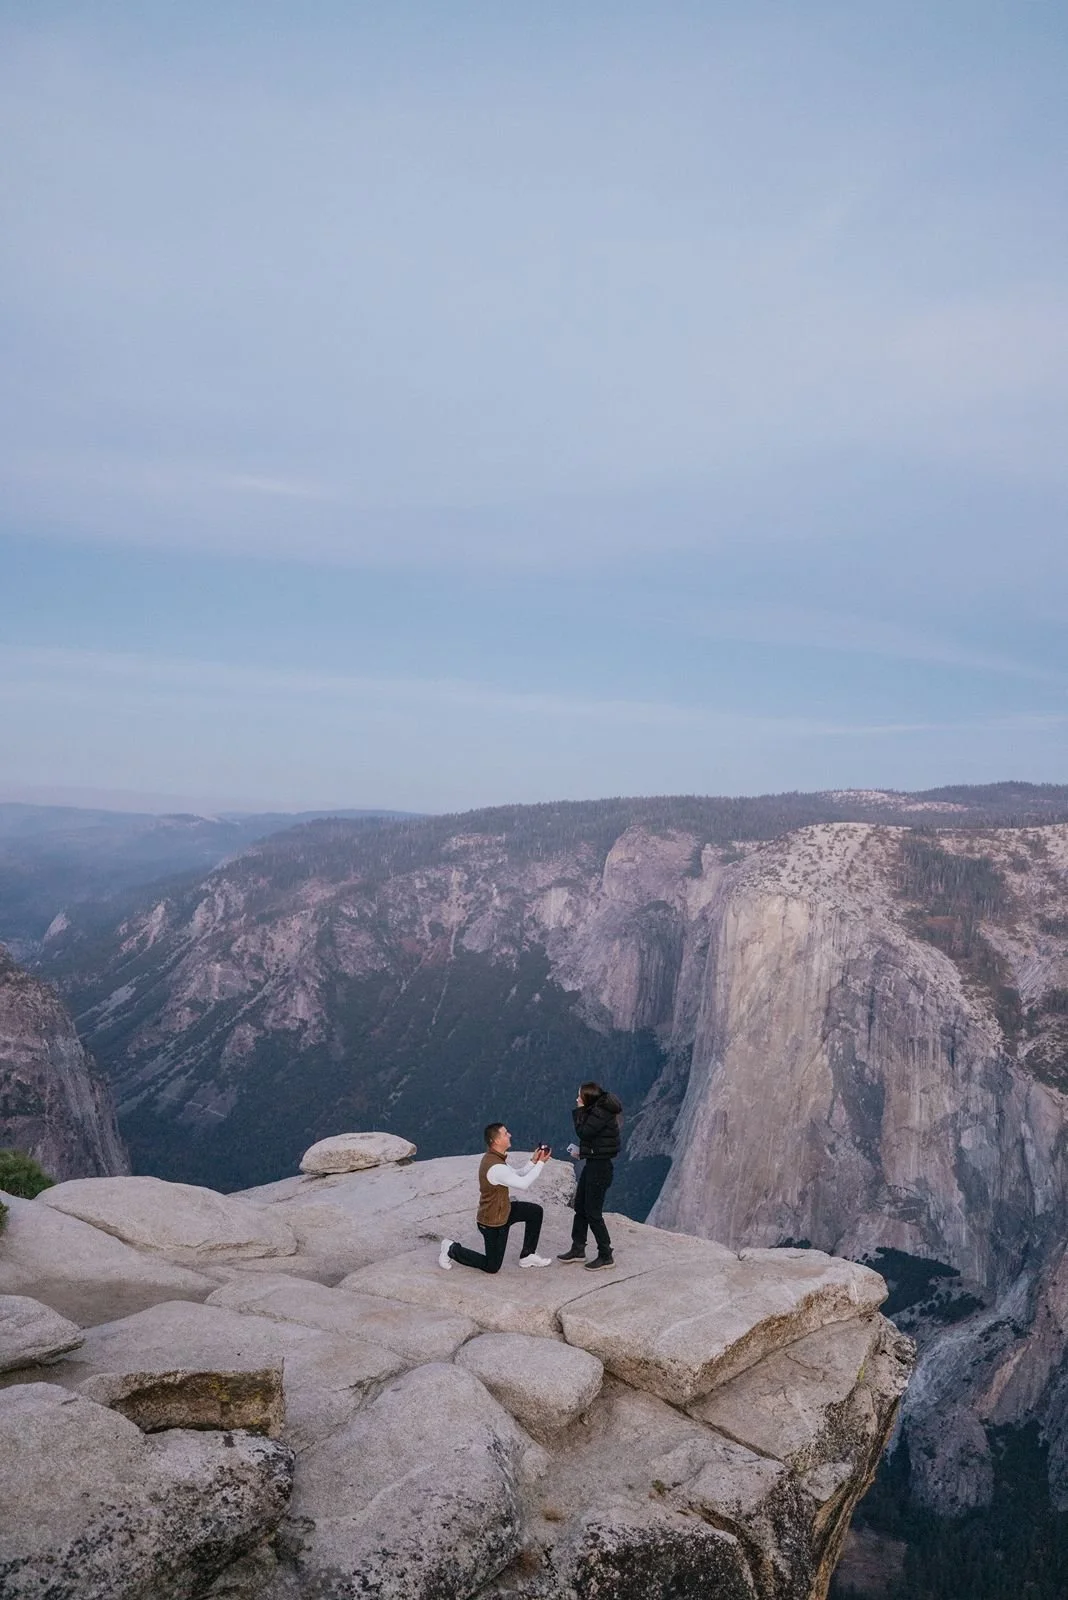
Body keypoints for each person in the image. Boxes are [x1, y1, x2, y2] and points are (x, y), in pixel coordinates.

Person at [439, 1122, 553, 1272]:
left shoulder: (495, 1159)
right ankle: (451, 1249)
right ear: (497, 1141)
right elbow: (523, 1184)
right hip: (493, 1222)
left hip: (504, 1211)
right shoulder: (496, 1166)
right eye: (506, 1133)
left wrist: (533, 1161)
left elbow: (516, 1174)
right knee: (492, 1266)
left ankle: (527, 1255)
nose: (510, 1135)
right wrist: (540, 1163)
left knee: (535, 1212)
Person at [557, 1081, 622, 1269]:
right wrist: (583, 1153)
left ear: (588, 1099)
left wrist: (579, 1110)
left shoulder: (599, 1114)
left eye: (580, 1096)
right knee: (581, 1206)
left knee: (593, 1212)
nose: (577, 1099)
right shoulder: (598, 1111)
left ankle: (605, 1254)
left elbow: (584, 1132)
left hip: (599, 1169)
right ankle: (578, 1248)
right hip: (594, 1163)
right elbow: (595, 1141)